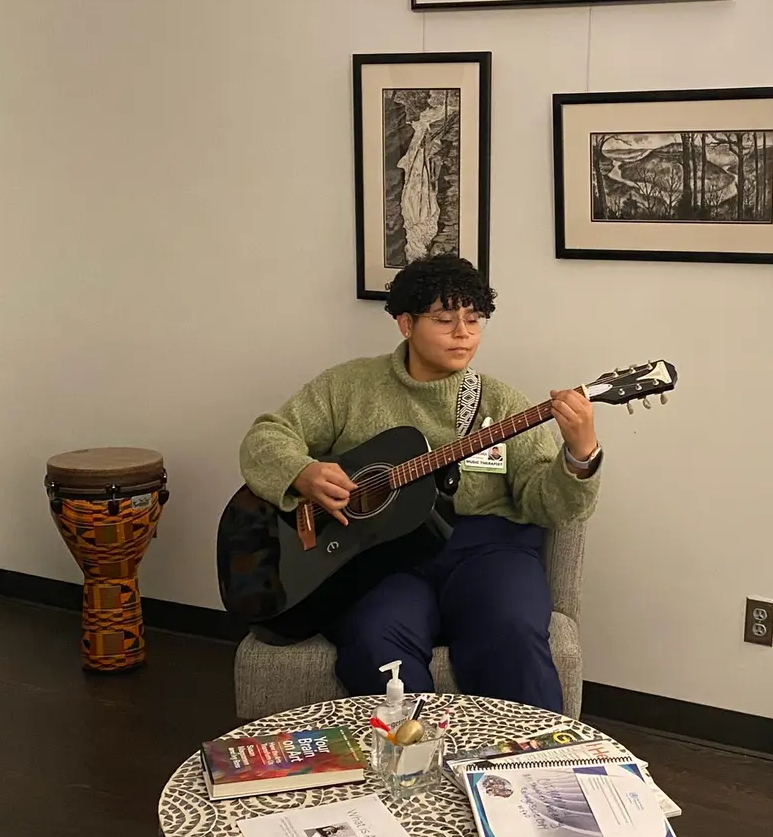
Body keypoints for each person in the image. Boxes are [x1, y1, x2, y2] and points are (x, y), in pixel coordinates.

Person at [238, 255, 601, 713]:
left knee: (510, 629)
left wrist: (580, 454)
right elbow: (266, 436)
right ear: (406, 324)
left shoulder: (503, 402)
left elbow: (547, 505)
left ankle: (524, 769)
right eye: (445, 319)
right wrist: (302, 473)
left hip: (488, 551)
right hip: (383, 558)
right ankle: (413, 765)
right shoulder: (350, 386)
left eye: (474, 320)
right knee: (375, 639)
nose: (463, 333)